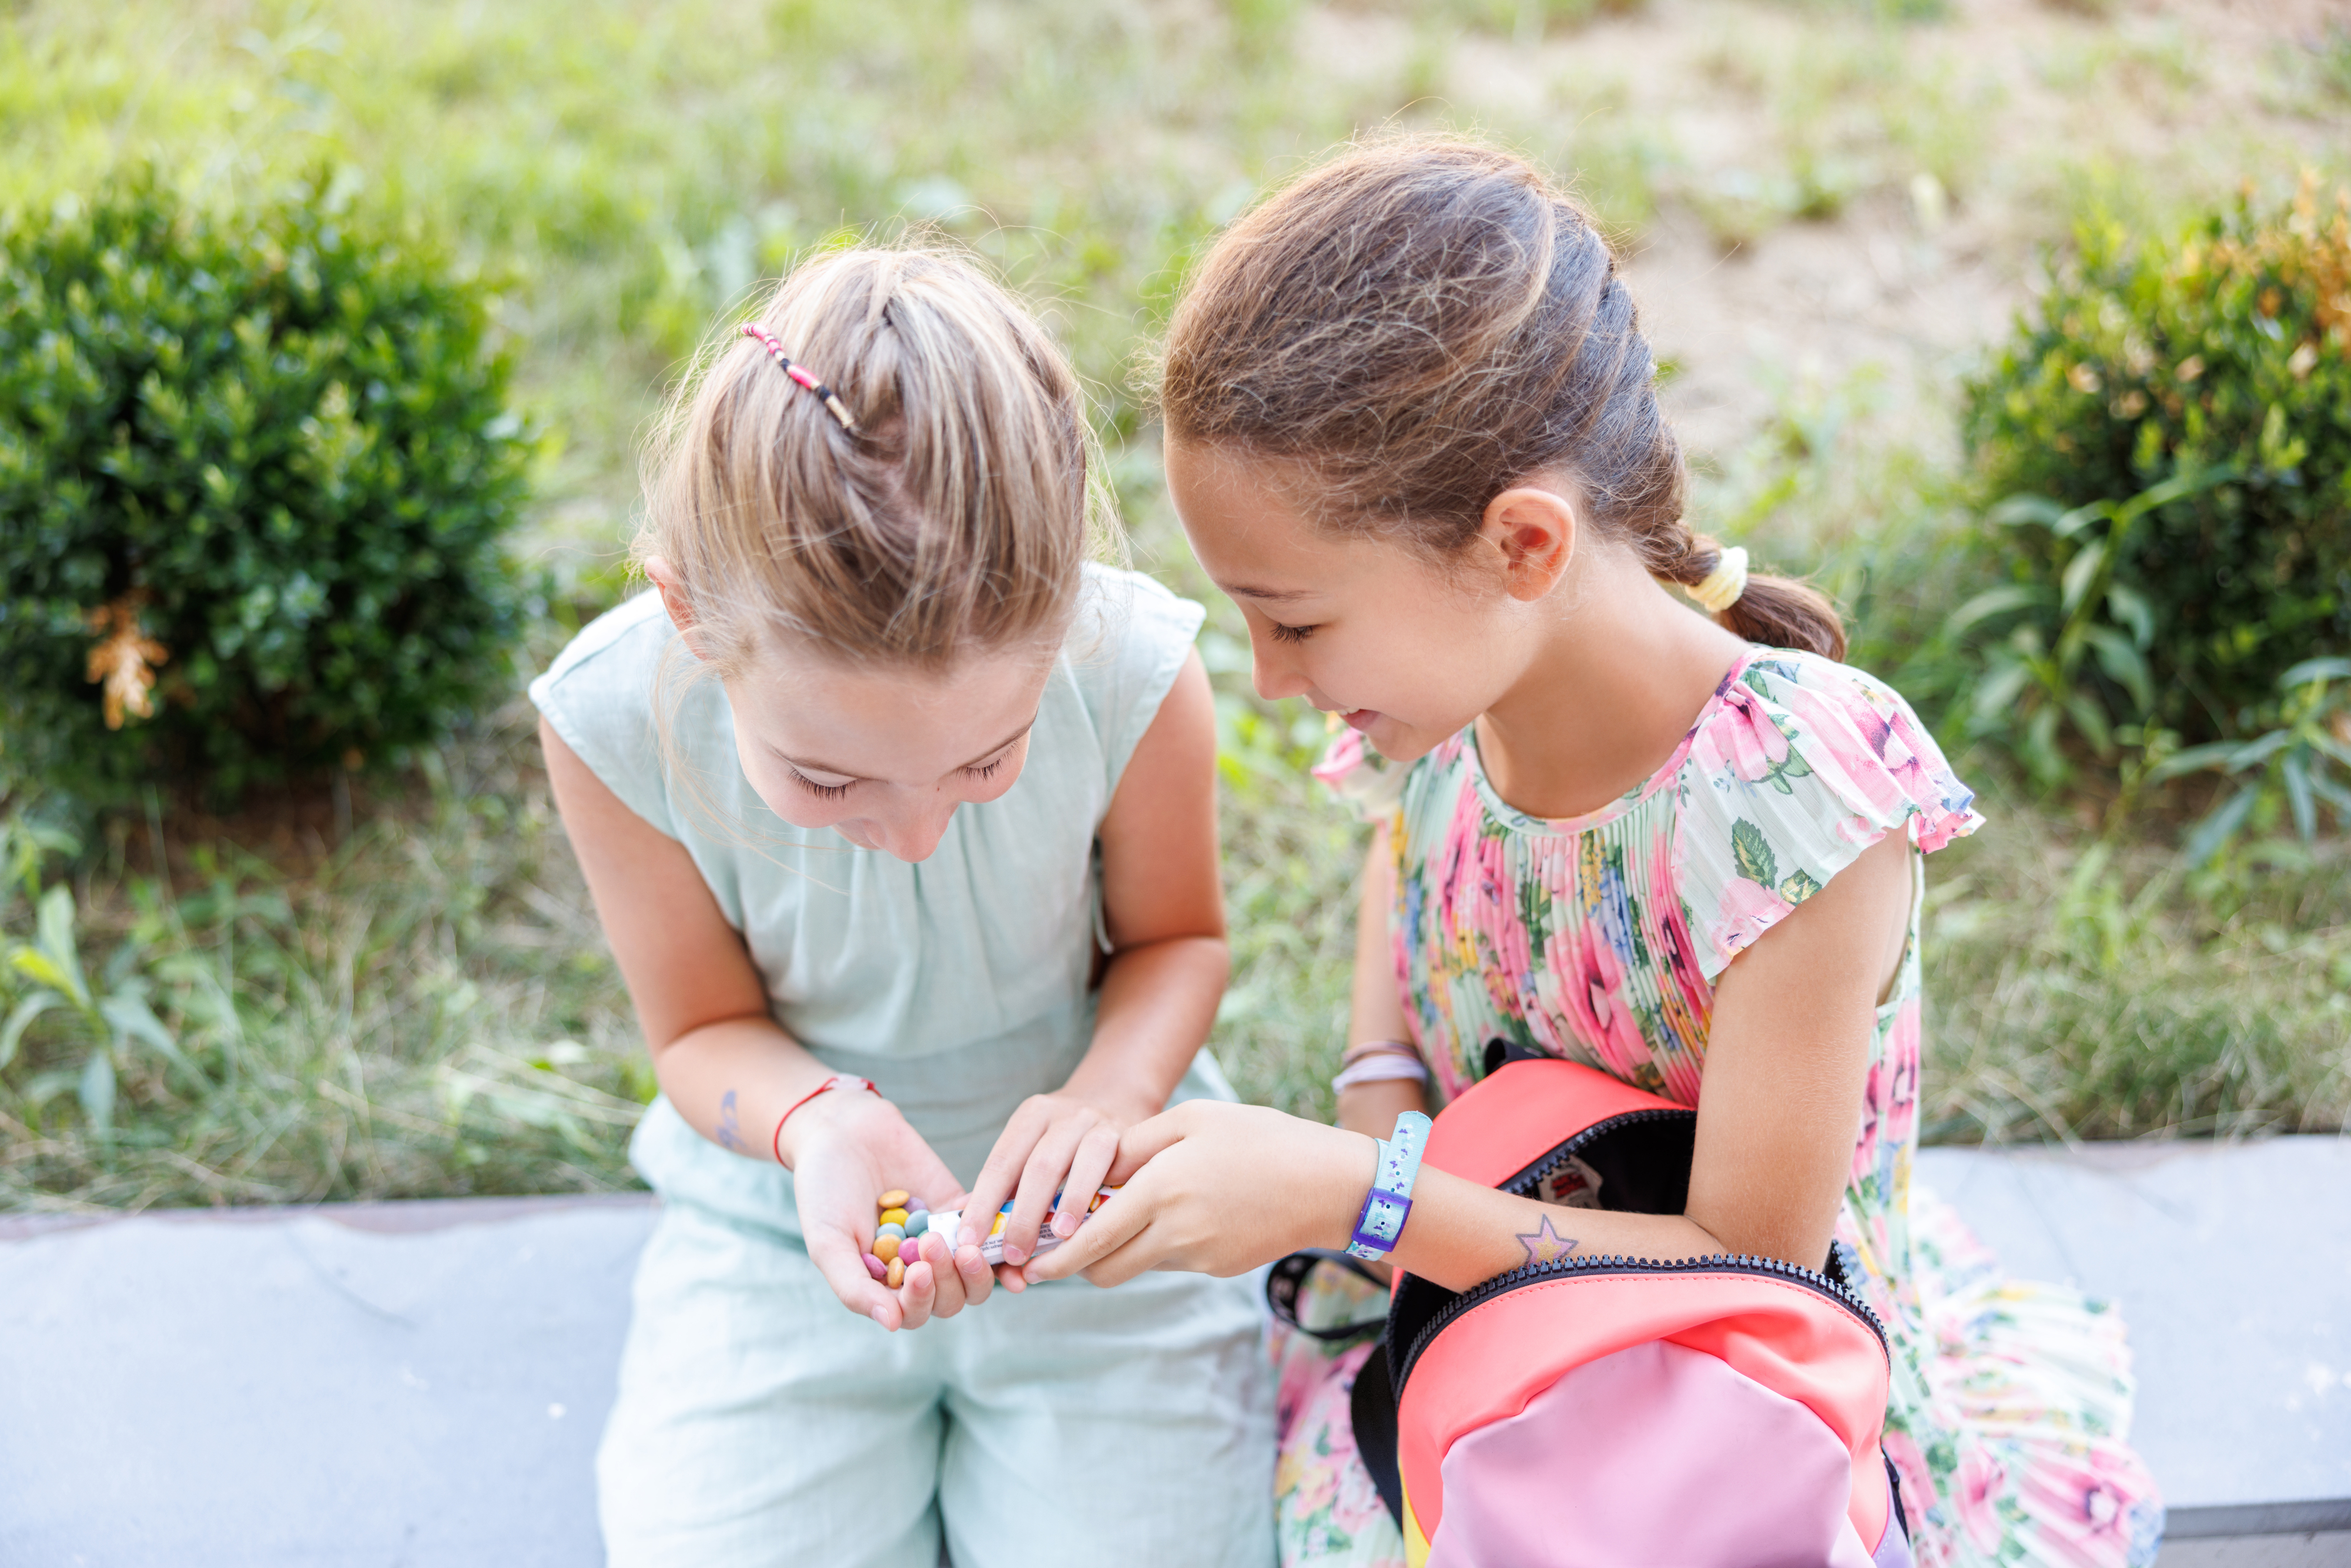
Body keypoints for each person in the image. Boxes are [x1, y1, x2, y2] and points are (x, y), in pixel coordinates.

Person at [1027, 138, 2165, 1568]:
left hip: (1733, 1431)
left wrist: (1355, 1196)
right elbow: (1409, 874)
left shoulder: (1793, 802)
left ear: (1519, 542)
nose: (1266, 679)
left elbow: (1747, 1263)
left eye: (1296, 622)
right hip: (1486, 1361)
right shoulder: (1449, 704)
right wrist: (1380, 1104)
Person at [533, 244, 1273, 1568]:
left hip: (1100, 1204)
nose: (922, 832)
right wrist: (818, 1125)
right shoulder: (609, 718)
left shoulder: (1130, 671)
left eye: (991, 760)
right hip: (772, 1215)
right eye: (827, 776)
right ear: (693, 620)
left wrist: (1105, 1101)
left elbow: (1176, 940)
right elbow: (698, 1031)